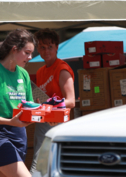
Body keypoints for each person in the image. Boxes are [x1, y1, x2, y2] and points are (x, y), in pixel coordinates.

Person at [0, 29, 36, 177]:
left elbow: (28, 108)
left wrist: (47, 117)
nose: (30, 57)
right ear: (14, 49)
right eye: (27, 52)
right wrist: (10, 121)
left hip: (20, 136)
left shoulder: (24, 74)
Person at [30, 28, 75, 173]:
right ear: (38, 49)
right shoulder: (40, 71)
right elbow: (42, 99)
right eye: (42, 47)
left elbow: (71, 101)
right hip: (43, 124)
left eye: (50, 47)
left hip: (58, 125)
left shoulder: (62, 69)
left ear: (57, 47)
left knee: (40, 168)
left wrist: (48, 104)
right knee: (46, 168)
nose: (46, 51)